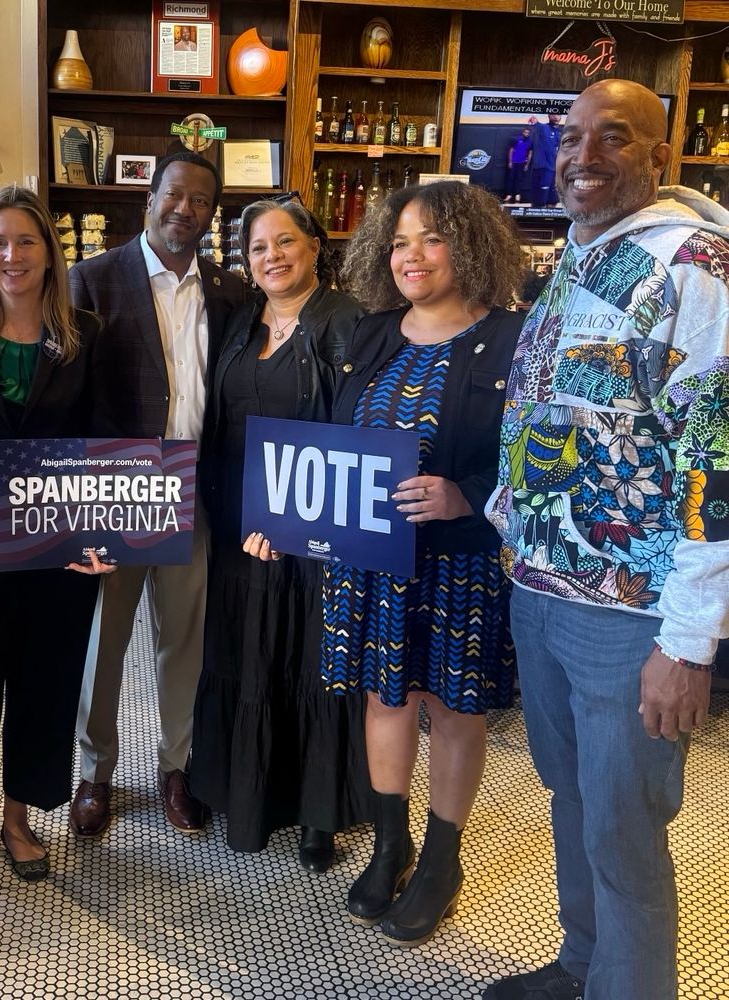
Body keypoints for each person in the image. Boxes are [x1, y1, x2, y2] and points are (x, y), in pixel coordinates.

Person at [484, 79, 729, 1000]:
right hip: (544, 589)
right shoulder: (582, 255)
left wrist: (688, 641)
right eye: (573, 136)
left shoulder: (697, 264)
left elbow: (718, 457)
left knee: (622, 827)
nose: (584, 155)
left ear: (660, 155)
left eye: (613, 137)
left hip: (633, 614)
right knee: (574, 799)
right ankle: (582, 966)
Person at [321, 181, 524, 946]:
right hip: (372, 563)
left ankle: (442, 861)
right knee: (385, 699)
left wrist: (465, 496)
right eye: (400, 241)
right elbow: (337, 444)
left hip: (458, 563)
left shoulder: (511, 337)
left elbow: (537, 460)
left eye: (431, 239)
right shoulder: (370, 333)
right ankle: (389, 842)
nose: (412, 256)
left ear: (467, 245)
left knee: (453, 709)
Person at [0, 185, 114, 882]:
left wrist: (105, 537)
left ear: (49, 252)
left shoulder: (86, 333)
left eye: (26, 241)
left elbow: (107, 438)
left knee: (46, 681)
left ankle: (17, 814)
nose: (12, 255)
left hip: (58, 541)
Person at [67, 152, 246, 837]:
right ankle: (94, 772)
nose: (186, 210)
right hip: (115, 487)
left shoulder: (229, 293)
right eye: (176, 195)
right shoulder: (92, 279)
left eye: (202, 201)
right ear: (150, 196)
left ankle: (179, 767)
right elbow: (72, 391)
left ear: (211, 212)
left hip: (192, 489)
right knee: (102, 642)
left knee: (184, 640)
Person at [191, 197, 369, 870]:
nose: (271, 256)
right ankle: (241, 789)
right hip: (240, 527)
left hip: (313, 536)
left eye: (284, 241)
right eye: (257, 247)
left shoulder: (350, 323)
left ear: (316, 245)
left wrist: (304, 524)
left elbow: (359, 436)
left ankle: (318, 813)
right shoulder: (239, 322)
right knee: (241, 652)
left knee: (309, 661)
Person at [531, 111, 563, 208]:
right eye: (553, 115)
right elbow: (538, 125)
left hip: (556, 168)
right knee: (540, 200)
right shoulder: (544, 128)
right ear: (549, 116)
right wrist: (535, 121)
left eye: (558, 115)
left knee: (553, 200)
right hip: (544, 167)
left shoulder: (561, 132)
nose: (556, 117)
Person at [504, 127, 533, 203]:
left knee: (519, 179)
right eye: (525, 132)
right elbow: (511, 151)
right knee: (510, 179)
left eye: (528, 133)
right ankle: (509, 195)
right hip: (513, 162)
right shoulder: (516, 140)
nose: (526, 134)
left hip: (522, 163)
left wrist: (527, 165)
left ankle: (517, 195)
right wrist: (510, 161)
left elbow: (530, 154)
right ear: (523, 132)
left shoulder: (530, 142)